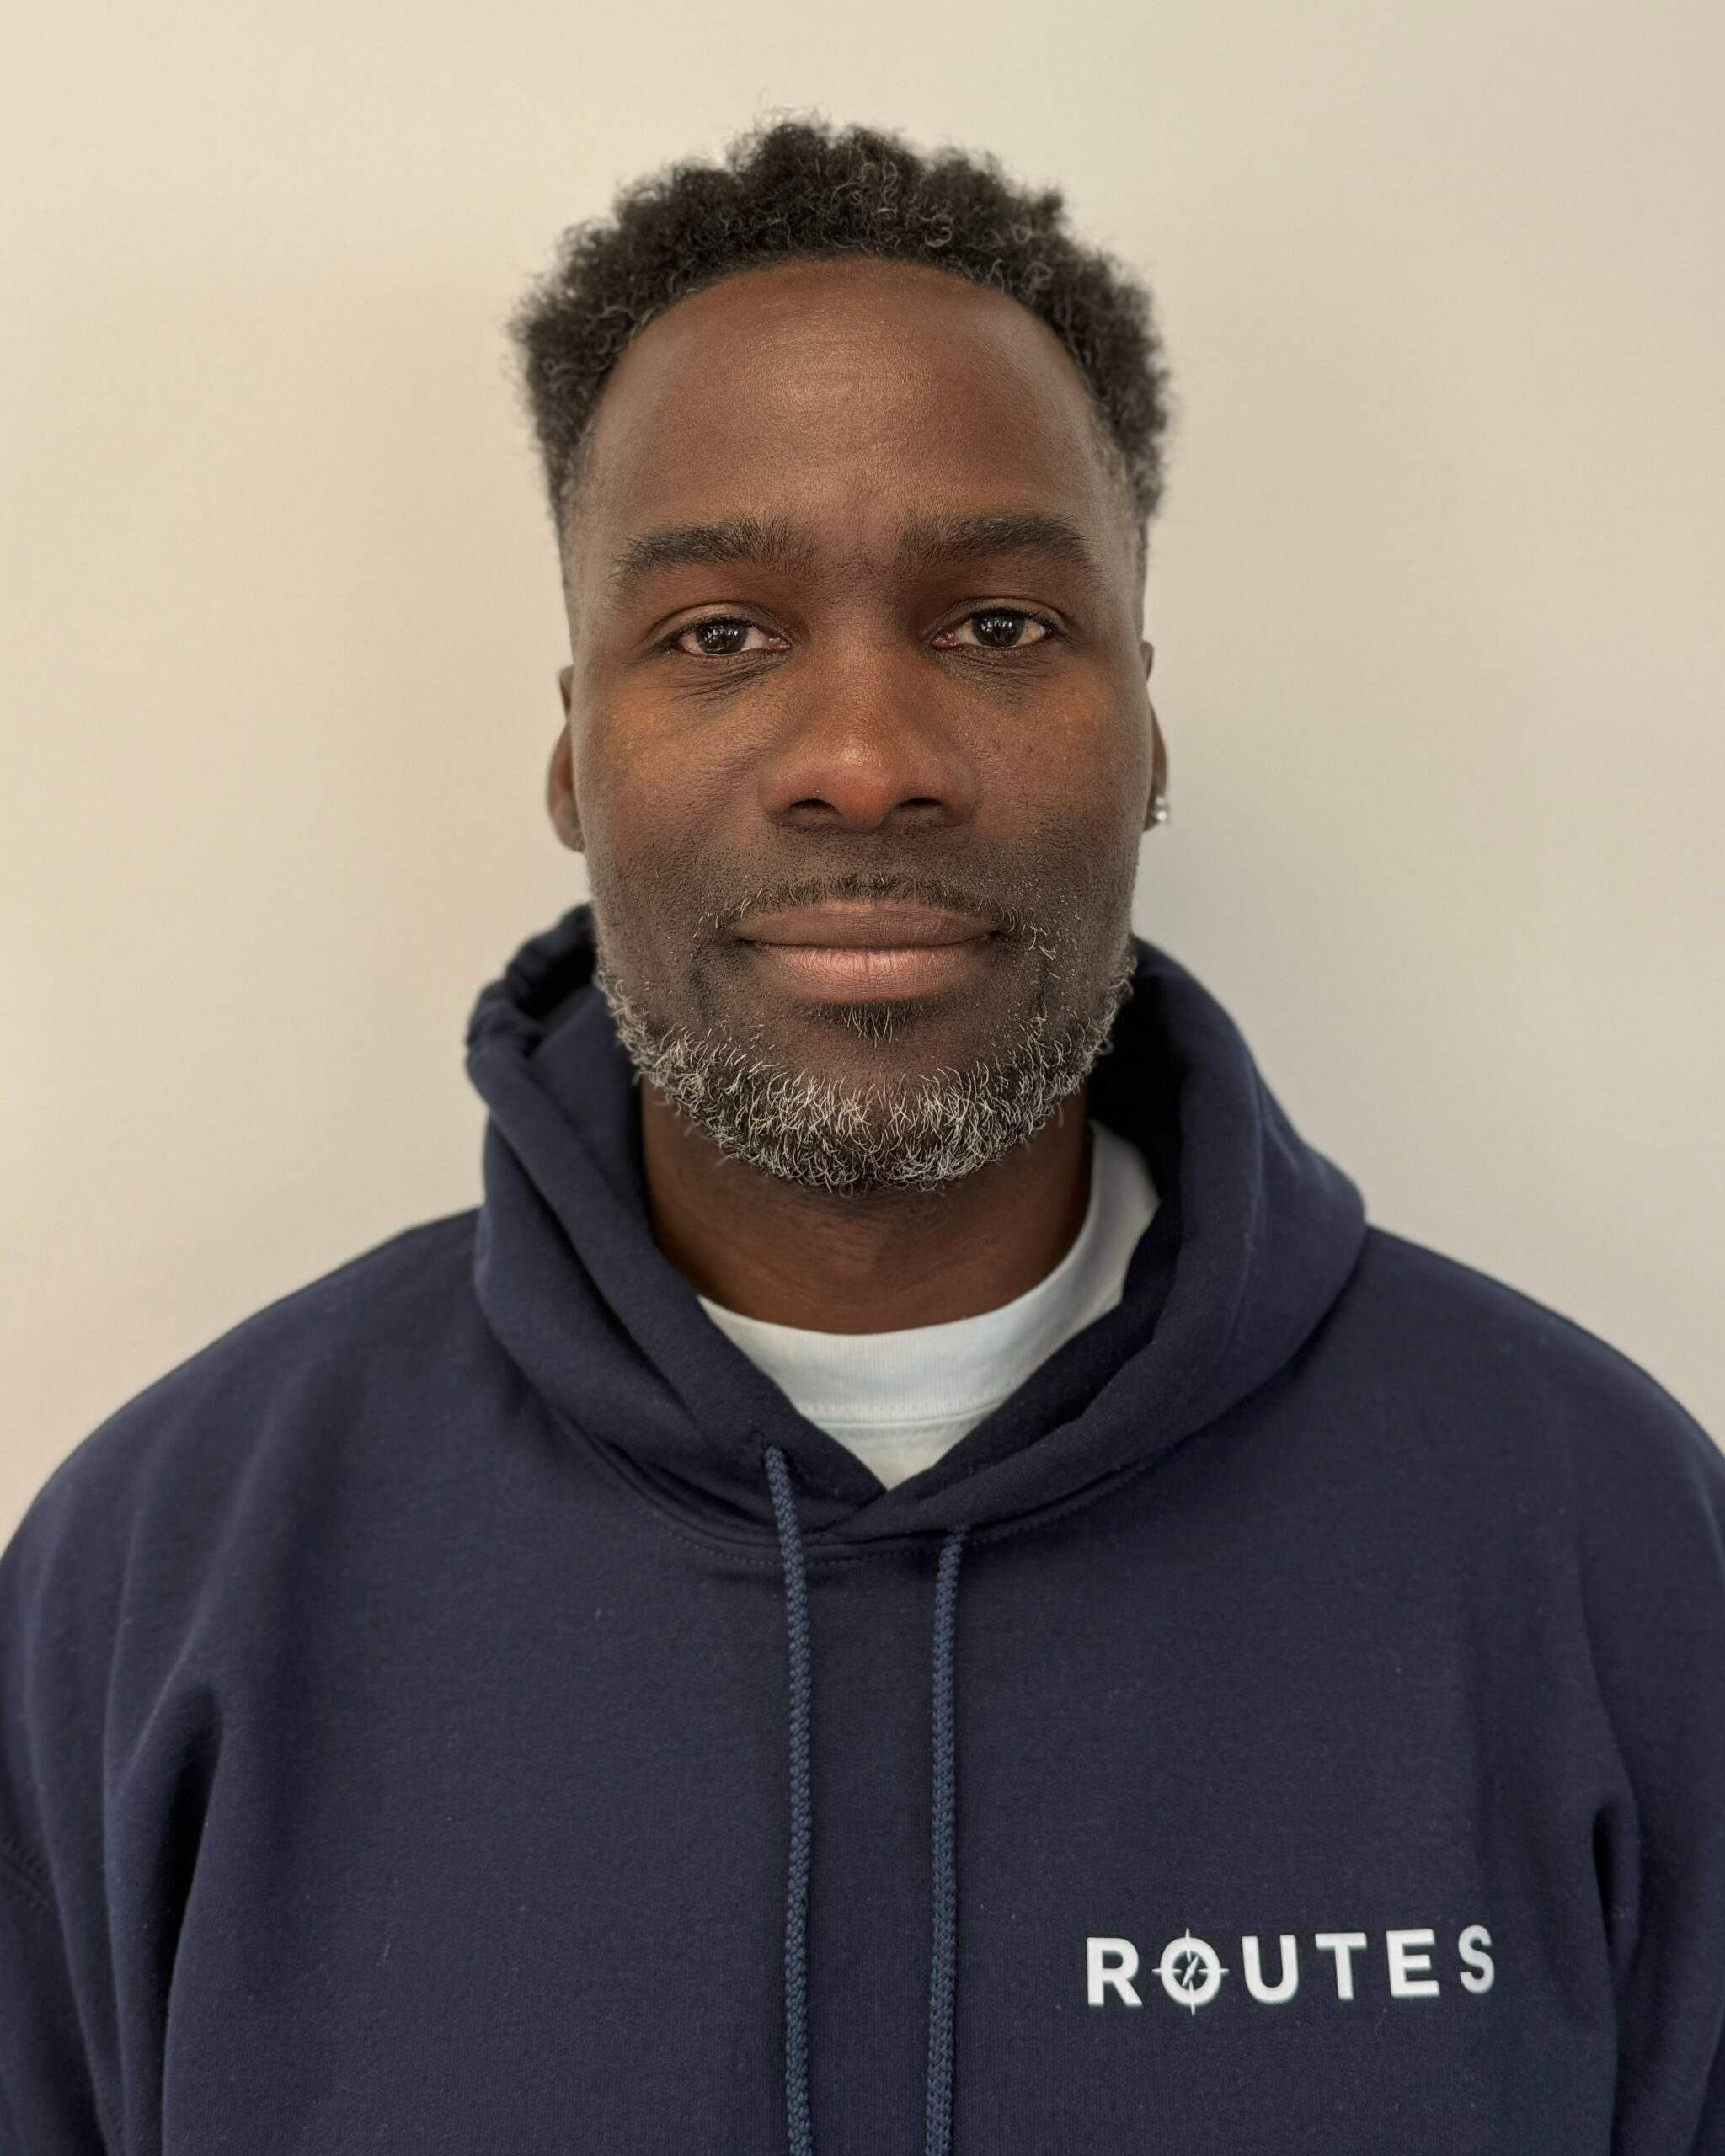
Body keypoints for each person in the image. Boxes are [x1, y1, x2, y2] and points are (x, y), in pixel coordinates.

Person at [2, 117, 1721, 2156]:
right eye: (718, 632)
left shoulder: (1603, 1540)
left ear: (1144, 729)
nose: (864, 758)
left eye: (997, 624)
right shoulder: (159, 1579)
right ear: (574, 750)